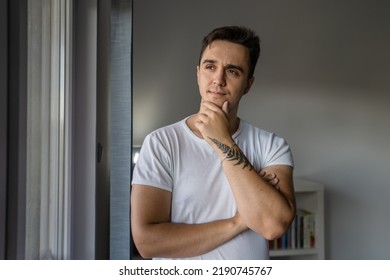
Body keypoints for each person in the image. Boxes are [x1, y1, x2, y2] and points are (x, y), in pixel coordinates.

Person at [131, 26, 296, 260]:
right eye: (210, 67)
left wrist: (222, 141)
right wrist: (241, 221)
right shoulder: (161, 143)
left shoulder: (272, 146)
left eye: (233, 71)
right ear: (198, 73)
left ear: (248, 84)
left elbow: (272, 225)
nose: (218, 80)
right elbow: (148, 243)